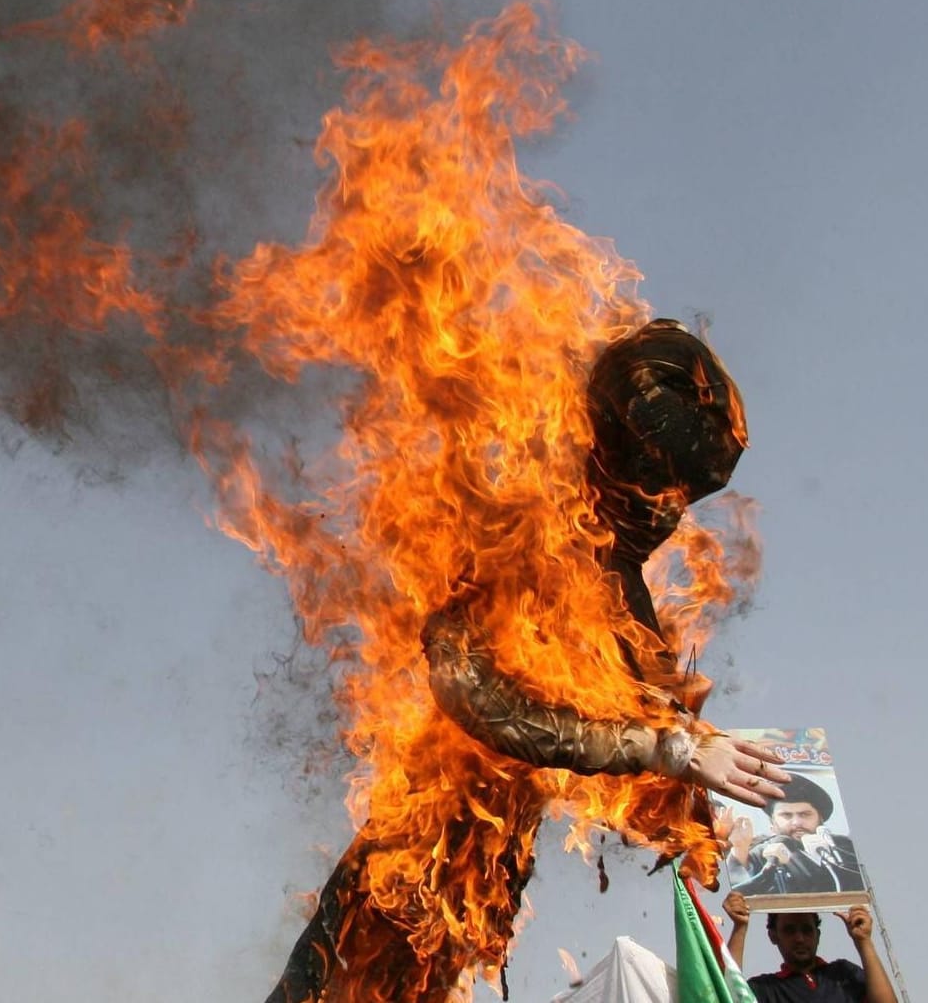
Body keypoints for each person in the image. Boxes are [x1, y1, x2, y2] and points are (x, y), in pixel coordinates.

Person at [263, 320, 792, 1003]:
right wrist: (672, 749)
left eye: (684, 496)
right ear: (622, 459)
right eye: (663, 487)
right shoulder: (521, 535)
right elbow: (475, 697)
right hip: (410, 863)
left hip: (483, 885)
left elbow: (634, 767)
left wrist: (711, 818)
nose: (672, 513)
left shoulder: (623, 596)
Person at [723, 893, 897, 1003]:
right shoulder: (765, 989)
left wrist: (863, 941)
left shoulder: (843, 974)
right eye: (789, 930)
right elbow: (726, 994)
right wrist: (739, 926)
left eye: (807, 930)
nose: (799, 938)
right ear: (773, 936)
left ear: (817, 934)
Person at [726, 772, 867, 897]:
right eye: (787, 815)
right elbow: (739, 895)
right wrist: (739, 850)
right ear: (773, 824)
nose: (796, 822)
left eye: (805, 814)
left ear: (820, 819)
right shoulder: (763, 854)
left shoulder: (844, 847)